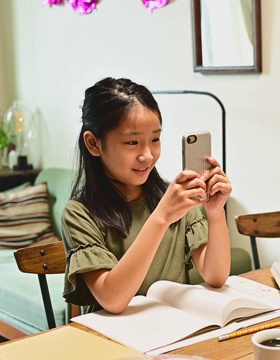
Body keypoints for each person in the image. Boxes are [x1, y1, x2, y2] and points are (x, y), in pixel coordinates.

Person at [62, 77, 232, 314]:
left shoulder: (177, 198)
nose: (147, 155)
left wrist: (215, 213)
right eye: (132, 142)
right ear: (93, 144)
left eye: (155, 139)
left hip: (173, 332)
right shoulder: (79, 213)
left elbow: (216, 276)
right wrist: (161, 217)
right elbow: (112, 299)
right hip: (113, 340)